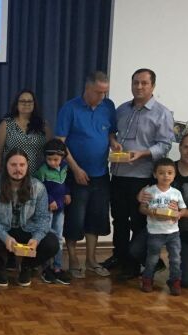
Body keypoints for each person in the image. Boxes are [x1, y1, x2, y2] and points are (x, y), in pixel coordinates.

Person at [104, 68, 174, 278]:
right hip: (118, 173)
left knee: (138, 222)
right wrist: (113, 141)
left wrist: (142, 153)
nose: (139, 87)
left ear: (153, 86)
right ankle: (119, 256)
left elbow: (165, 146)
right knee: (118, 219)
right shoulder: (122, 109)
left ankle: (133, 264)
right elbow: (112, 133)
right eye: (136, 82)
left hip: (142, 177)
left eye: (144, 83)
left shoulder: (162, 113)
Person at [130, 132, 188, 288]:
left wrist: (182, 213)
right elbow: (145, 197)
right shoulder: (165, 168)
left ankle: (172, 275)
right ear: (180, 147)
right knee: (135, 250)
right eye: (186, 147)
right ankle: (154, 265)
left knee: (186, 281)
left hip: (187, 233)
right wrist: (140, 196)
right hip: (156, 228)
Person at [55, 71, 117, 279]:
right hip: (76, 174)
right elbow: (60, 143)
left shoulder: (108, 107)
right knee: (75, 218)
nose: (102, 97)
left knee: (97, 218)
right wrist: (75, 168)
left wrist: (113, 142)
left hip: (100, 173)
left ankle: (91, 259)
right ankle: (73, 258)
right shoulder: (70, 108)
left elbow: (110, 132)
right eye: (98, 92)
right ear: (87, 88)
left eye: (105, 93)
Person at [0, 149, 60, 287]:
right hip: (3, 229)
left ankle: (27, 267)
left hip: (27, 229)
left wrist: (36, 239)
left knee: (52, 243)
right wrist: (5, 237)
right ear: (6, 166)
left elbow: (43, 218)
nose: (18, 169)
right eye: (14, 165)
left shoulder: (38, 187)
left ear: (27, 166)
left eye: (22, 165)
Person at [138, 158, 186, 295]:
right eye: (161, 173)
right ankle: (147, 279)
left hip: (173, 232)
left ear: (174, 175)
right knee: (152, 258)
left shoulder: (176, 193)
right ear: (155, 175)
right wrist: (150, 212)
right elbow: (142, 208)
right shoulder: (150, 191)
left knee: (175, 258)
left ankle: (175, 281)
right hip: (155, 232)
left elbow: (183, 209)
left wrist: (179, 214)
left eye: (170, 173)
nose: (166, 176)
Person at [35, 139, 71, 285]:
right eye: (49, 159)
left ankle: (57, 267)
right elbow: (39, 188)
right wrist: (49, 200)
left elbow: (64, 184)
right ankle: (46, 268)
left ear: (62, 158)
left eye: (56, 159)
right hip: (47, 209)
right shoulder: (42, 170)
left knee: (59, 237)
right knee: (46, 236)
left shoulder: (65, 168)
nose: (52, 162)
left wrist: (67, 193)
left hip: (60, 209)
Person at [0, 89, 50, 176]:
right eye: (22, 101)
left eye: (30, 101)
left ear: (34, 104)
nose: (26, 104)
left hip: (37, 177)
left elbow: (49, 151)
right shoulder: (6, 124)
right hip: (11, 177)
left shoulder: (43, 125)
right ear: (16, 104)